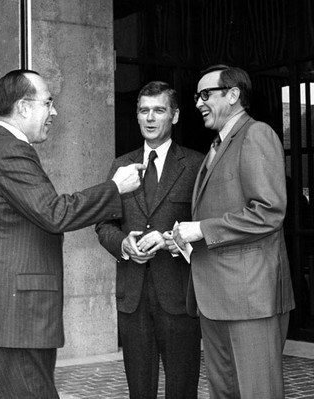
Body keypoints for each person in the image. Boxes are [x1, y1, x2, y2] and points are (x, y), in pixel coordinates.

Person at [0, 69, 145, 399]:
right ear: (24, 107)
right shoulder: (9, 152)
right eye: (49, 102)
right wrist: (115, 187)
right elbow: (55, 213)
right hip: (15, 319)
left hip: (11, 316)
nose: (54, 112)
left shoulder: (2, 147)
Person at [171, 65, 295, 398]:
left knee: (257, 392)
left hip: (250, 298)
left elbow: (269, 211)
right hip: (215, 298)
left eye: (205, 94)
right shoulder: (217, 145)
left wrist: (201, 229)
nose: (198, 103)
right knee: (224, 392)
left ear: (234, 95)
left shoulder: (256, 135)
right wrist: (187, 238)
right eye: (197, 96)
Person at [96, 81, 204, 399]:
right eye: (144, 110)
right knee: (139, 391)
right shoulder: (121, 165)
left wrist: (174, 238)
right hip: (134, 295)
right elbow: (104, 224)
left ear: (175, 115)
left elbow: (205, 225)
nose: (150, 118)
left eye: (159, 110)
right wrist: (122, 245)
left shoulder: (196, 165)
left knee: (182, 389)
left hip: (178, 296)